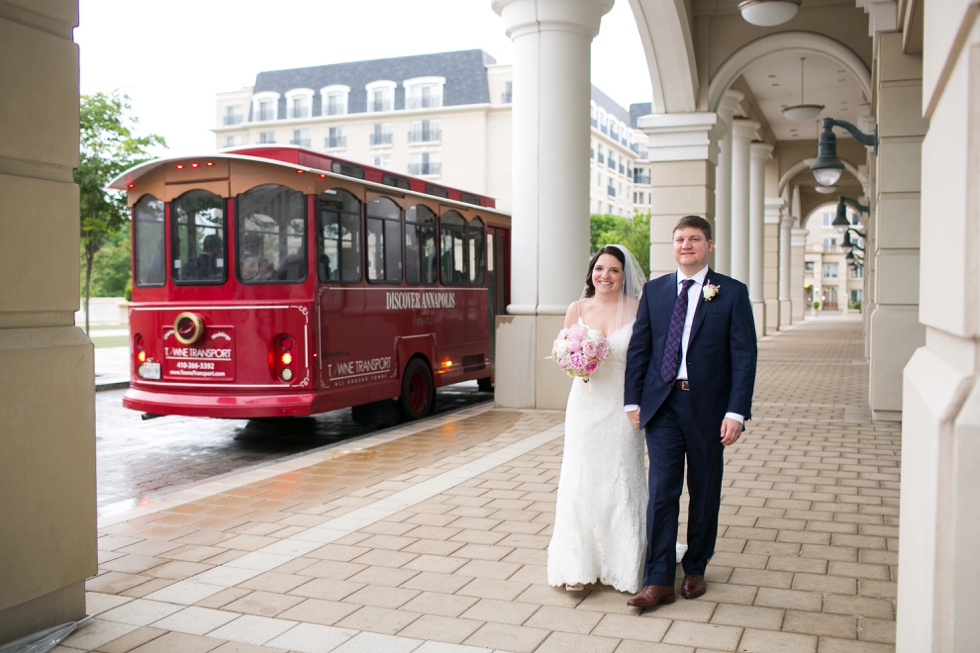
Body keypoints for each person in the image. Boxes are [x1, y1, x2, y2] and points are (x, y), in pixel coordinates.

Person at [624, 215, 757, 608]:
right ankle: (658, 579)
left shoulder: (731, 293)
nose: (686, 245)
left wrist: (736, 412)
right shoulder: (656, 291)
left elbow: (743, 356)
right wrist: (633, 400)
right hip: (662, 405)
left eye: (694, 239)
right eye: (680, 239)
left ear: (709, 245)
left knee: (703, 491)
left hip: (709, 409)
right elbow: (640, 349)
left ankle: (696, 567)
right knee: (662, 491)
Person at [547, 244, 648, 594]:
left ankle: (623, 561)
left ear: (625, 276)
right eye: (599, 268)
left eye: (614, 270)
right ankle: (577, 564)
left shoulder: (639, 308)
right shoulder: (576, 309)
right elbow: (563, 354)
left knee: (621, 477)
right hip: (585, 407)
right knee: (579, 478)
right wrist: (575, 362)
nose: (605, 275)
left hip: (623, 408)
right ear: (591, 272)